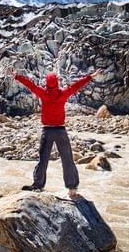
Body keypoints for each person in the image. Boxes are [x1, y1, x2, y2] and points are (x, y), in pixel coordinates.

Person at [8, 67, 101, 199]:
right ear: (57, 83)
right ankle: (72, 188)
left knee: (43, 159)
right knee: (67, 159)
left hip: (47, 130)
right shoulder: (63, 94)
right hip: (60, 130)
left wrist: (17, 76)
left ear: (47, 83)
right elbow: (76, 86)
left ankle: (38, 185)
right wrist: (90, 77)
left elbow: (31, 85)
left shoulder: (43, 94)